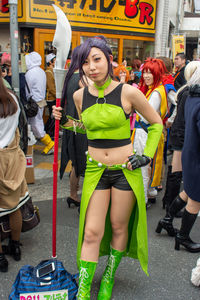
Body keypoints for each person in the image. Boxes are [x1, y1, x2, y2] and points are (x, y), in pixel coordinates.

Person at [53, 37, 163, 299]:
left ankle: (108, 279)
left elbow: (157, 123)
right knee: (91, 231)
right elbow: (87, 128)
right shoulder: (80, 96)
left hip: (125, 171)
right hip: (95, 171)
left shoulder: (128, 92)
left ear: (109, 60)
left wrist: (146, 156)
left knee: (118, 226)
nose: (91, 67)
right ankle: (82, 292)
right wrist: (65, 122)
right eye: (85, 62)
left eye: (97, 59)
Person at [156, 61, 200, 253]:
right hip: (191, 149)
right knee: (195, 197)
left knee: (189, 191)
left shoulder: (190, 94)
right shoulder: (193, 96)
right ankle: (183, 236)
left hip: (188, 146)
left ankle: (167, 219)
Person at [0, 68, 30, 272]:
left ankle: (0, 258)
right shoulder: (12, 98)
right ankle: (15, 246)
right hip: (13, 157)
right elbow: (21, 127)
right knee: (15, 207)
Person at [132, 58, 168, 205]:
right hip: (147, 133)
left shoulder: (155, 93)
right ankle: (148, 194)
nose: (146, 76)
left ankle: (143, 200)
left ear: (157, 73)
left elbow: (146, 117)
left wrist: (134, 105)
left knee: (142, 167)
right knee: (146, 166)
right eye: (144, 72)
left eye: (150, 73)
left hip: (144, 132)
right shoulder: (156, 89)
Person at [60, 46, 88, 207]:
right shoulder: (82, 79)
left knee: (76, 162)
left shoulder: (70, 75)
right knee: (82, 162)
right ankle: (77, 196)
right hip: (79, 124)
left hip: (71, 124)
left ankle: (73, 195)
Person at [25, 52, 54, 155]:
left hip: (33, 103)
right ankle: (30, 146)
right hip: (40, 102)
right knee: (36, 124)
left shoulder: (30, 73)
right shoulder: (41, 71)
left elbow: (27, 90)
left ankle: (50, 144)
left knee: (35, 125)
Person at [45, 53, 56, 138]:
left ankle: (50, 131)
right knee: (52, 116)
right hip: (51, 98)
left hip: (53, 97)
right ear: (50, 62)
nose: (56, 62)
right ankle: (48, 132)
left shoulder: (52, 71)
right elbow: (51, 87)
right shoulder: (48, 72)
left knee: (53, 116)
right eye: (54, 60)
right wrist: (58, 96)